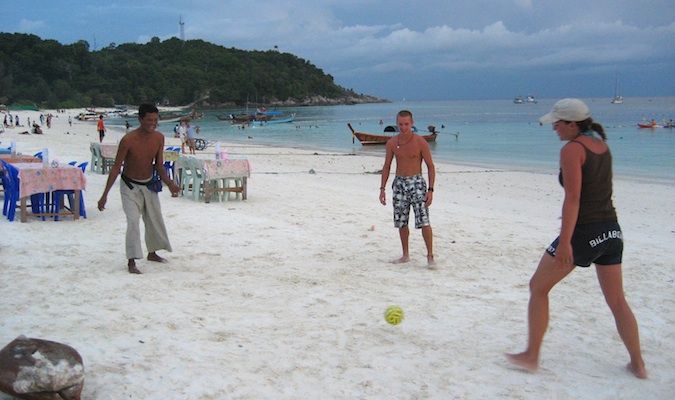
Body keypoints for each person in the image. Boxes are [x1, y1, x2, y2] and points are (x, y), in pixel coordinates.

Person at [505, 99, 647, 379]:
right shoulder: (601, 145)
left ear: (573, 124)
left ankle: (532, 355)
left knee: (538, 287)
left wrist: (566, 241)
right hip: (611, 230)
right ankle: (638, 364)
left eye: (558, 123)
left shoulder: (572, 149)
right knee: (618, 301)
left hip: (585, 231)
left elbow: (573, 198)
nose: (554, 128)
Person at [97, 104, 181, 274]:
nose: (153, 123)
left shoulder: (159, 138)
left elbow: (159, 165)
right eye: (149, 120)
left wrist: (170, 183)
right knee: (133, 221)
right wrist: (104, 195)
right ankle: (132, 260)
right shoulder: (129, 140)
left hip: (149, 184)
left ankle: (152, 252)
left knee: (154, 219)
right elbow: (116, 167)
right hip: (129, 186)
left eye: (156, 120)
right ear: (140, 119)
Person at [379, 110, 436, 268]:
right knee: (401, 222)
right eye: (400, 124)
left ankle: (430, 256)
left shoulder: (420, 142)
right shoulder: (392, 143)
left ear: (412, 123)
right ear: (396, 123)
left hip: (416, 182)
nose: (403, 127)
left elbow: (430, 166)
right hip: (399, 183)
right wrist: (382, 189)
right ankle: (405, 254)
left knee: (424, 220)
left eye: (406, 124)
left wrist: (430, 190)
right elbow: (387, 166)